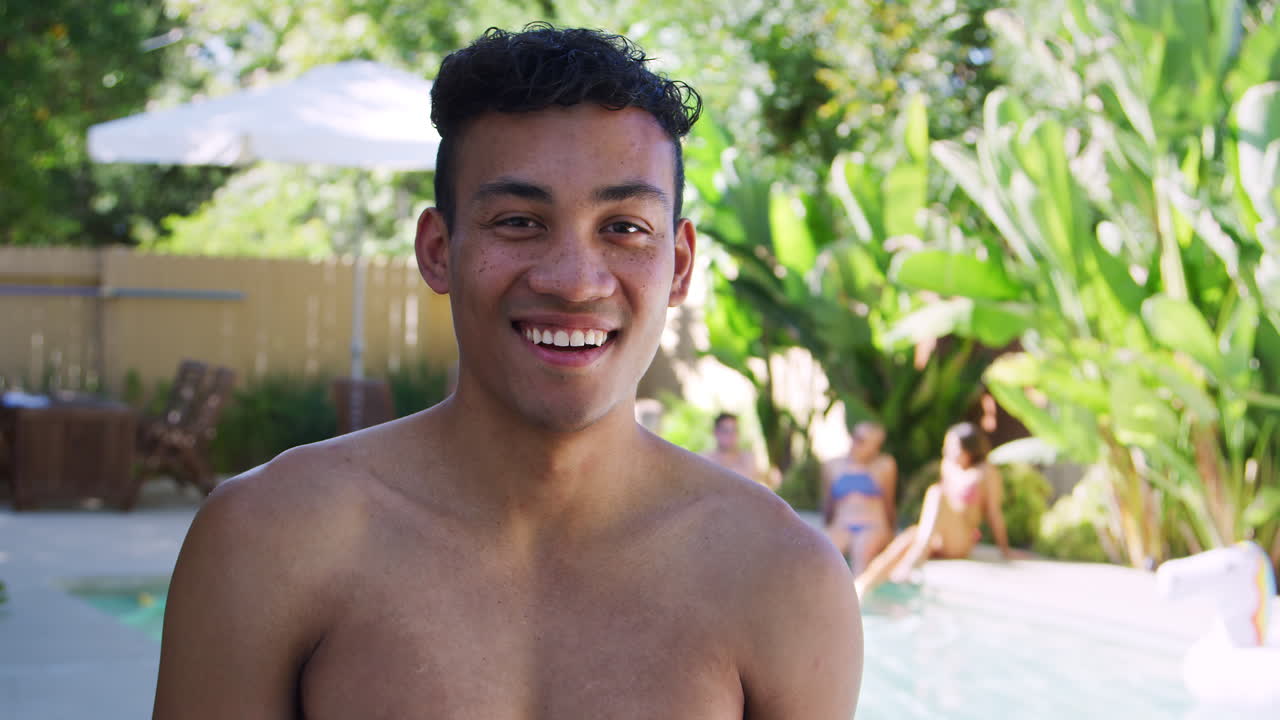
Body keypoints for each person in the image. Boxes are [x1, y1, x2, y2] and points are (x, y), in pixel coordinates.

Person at [153, 24, 862, 719]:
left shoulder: (781, 578)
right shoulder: (272, 541)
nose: (575, 282)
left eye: (623, 228)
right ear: (437, 250)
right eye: (519, 221)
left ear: (678, 265)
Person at [854, 422, 1010, 597]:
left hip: (960, 540)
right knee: (907, 538)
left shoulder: (985, 472)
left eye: (952, 446)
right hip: (936, 539)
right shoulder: (948, 466)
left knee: (936, 492)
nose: (946, 450)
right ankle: (863, 585)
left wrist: (1005, 550)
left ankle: (915, 560)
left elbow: (994, 512)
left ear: (969, 449)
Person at [821, 421, 897, 574]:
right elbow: (828, 505)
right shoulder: (832, 465)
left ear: (875, 446)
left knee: (862, 548)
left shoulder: (884, 466)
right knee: (825, 550)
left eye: (862, 441)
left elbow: (889, 504)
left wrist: (890, 535)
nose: (855, 443)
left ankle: (858, 588)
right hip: (842, 524)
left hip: (872, 526)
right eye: (855, 437)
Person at [702, 412, 778, 489]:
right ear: (715, 432)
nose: (731, 435)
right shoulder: (705, 461)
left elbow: (765, 479)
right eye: (725, 431)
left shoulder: (749, 459)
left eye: (734, 430)